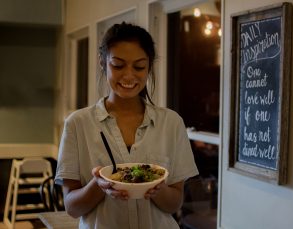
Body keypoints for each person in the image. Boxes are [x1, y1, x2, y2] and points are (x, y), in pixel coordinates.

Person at [55, 22, 199, 229]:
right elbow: (72, 208)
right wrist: (98, 184)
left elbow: (174, 203)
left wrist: (159, 189)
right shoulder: (78, 124)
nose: (129, 75)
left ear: (149, 66)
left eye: (139, 66)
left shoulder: (171, 123)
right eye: (118, 65)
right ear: (103, 63)